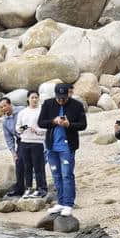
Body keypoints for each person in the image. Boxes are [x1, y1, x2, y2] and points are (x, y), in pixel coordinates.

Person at [38, 83, 87, 216]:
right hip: (51, 146)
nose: (61, 100)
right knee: (56, 175)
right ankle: (60, 202)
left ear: (68, 94)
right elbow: (41, 123)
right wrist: (53, 121)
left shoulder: (77, 105)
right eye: (59, 98)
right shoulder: (48, 104)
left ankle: (68, 204)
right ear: (55, 95)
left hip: (67, 146)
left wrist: (69, 124)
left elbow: (83, 125)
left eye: (64, 98)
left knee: (67, 175)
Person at [15, 91, 47, 198]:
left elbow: (46, 128)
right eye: (32, 97)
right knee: (27, 167)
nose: (34, 99)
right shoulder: (22, 112)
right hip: (24, 142)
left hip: (37, 142)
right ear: (28, 99)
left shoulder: (42, 111)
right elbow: (17, 128)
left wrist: (37, 130)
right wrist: (22, 128)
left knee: (38, 167)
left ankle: (41, 188)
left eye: (36, 97)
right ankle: (28, 188)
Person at [0, 97, 25, 198]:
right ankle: (20, 189)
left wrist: (21, 129)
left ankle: (40, 188)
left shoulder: (22, 110)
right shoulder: (5, 121)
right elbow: (9, 138)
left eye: (5, 105)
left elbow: (31, 122)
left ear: (10, 104)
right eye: (1, 107)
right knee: (19, 162)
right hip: (21, 141)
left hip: (32, 137)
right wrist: (13, 153)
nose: (4, 108)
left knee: (35, 163)